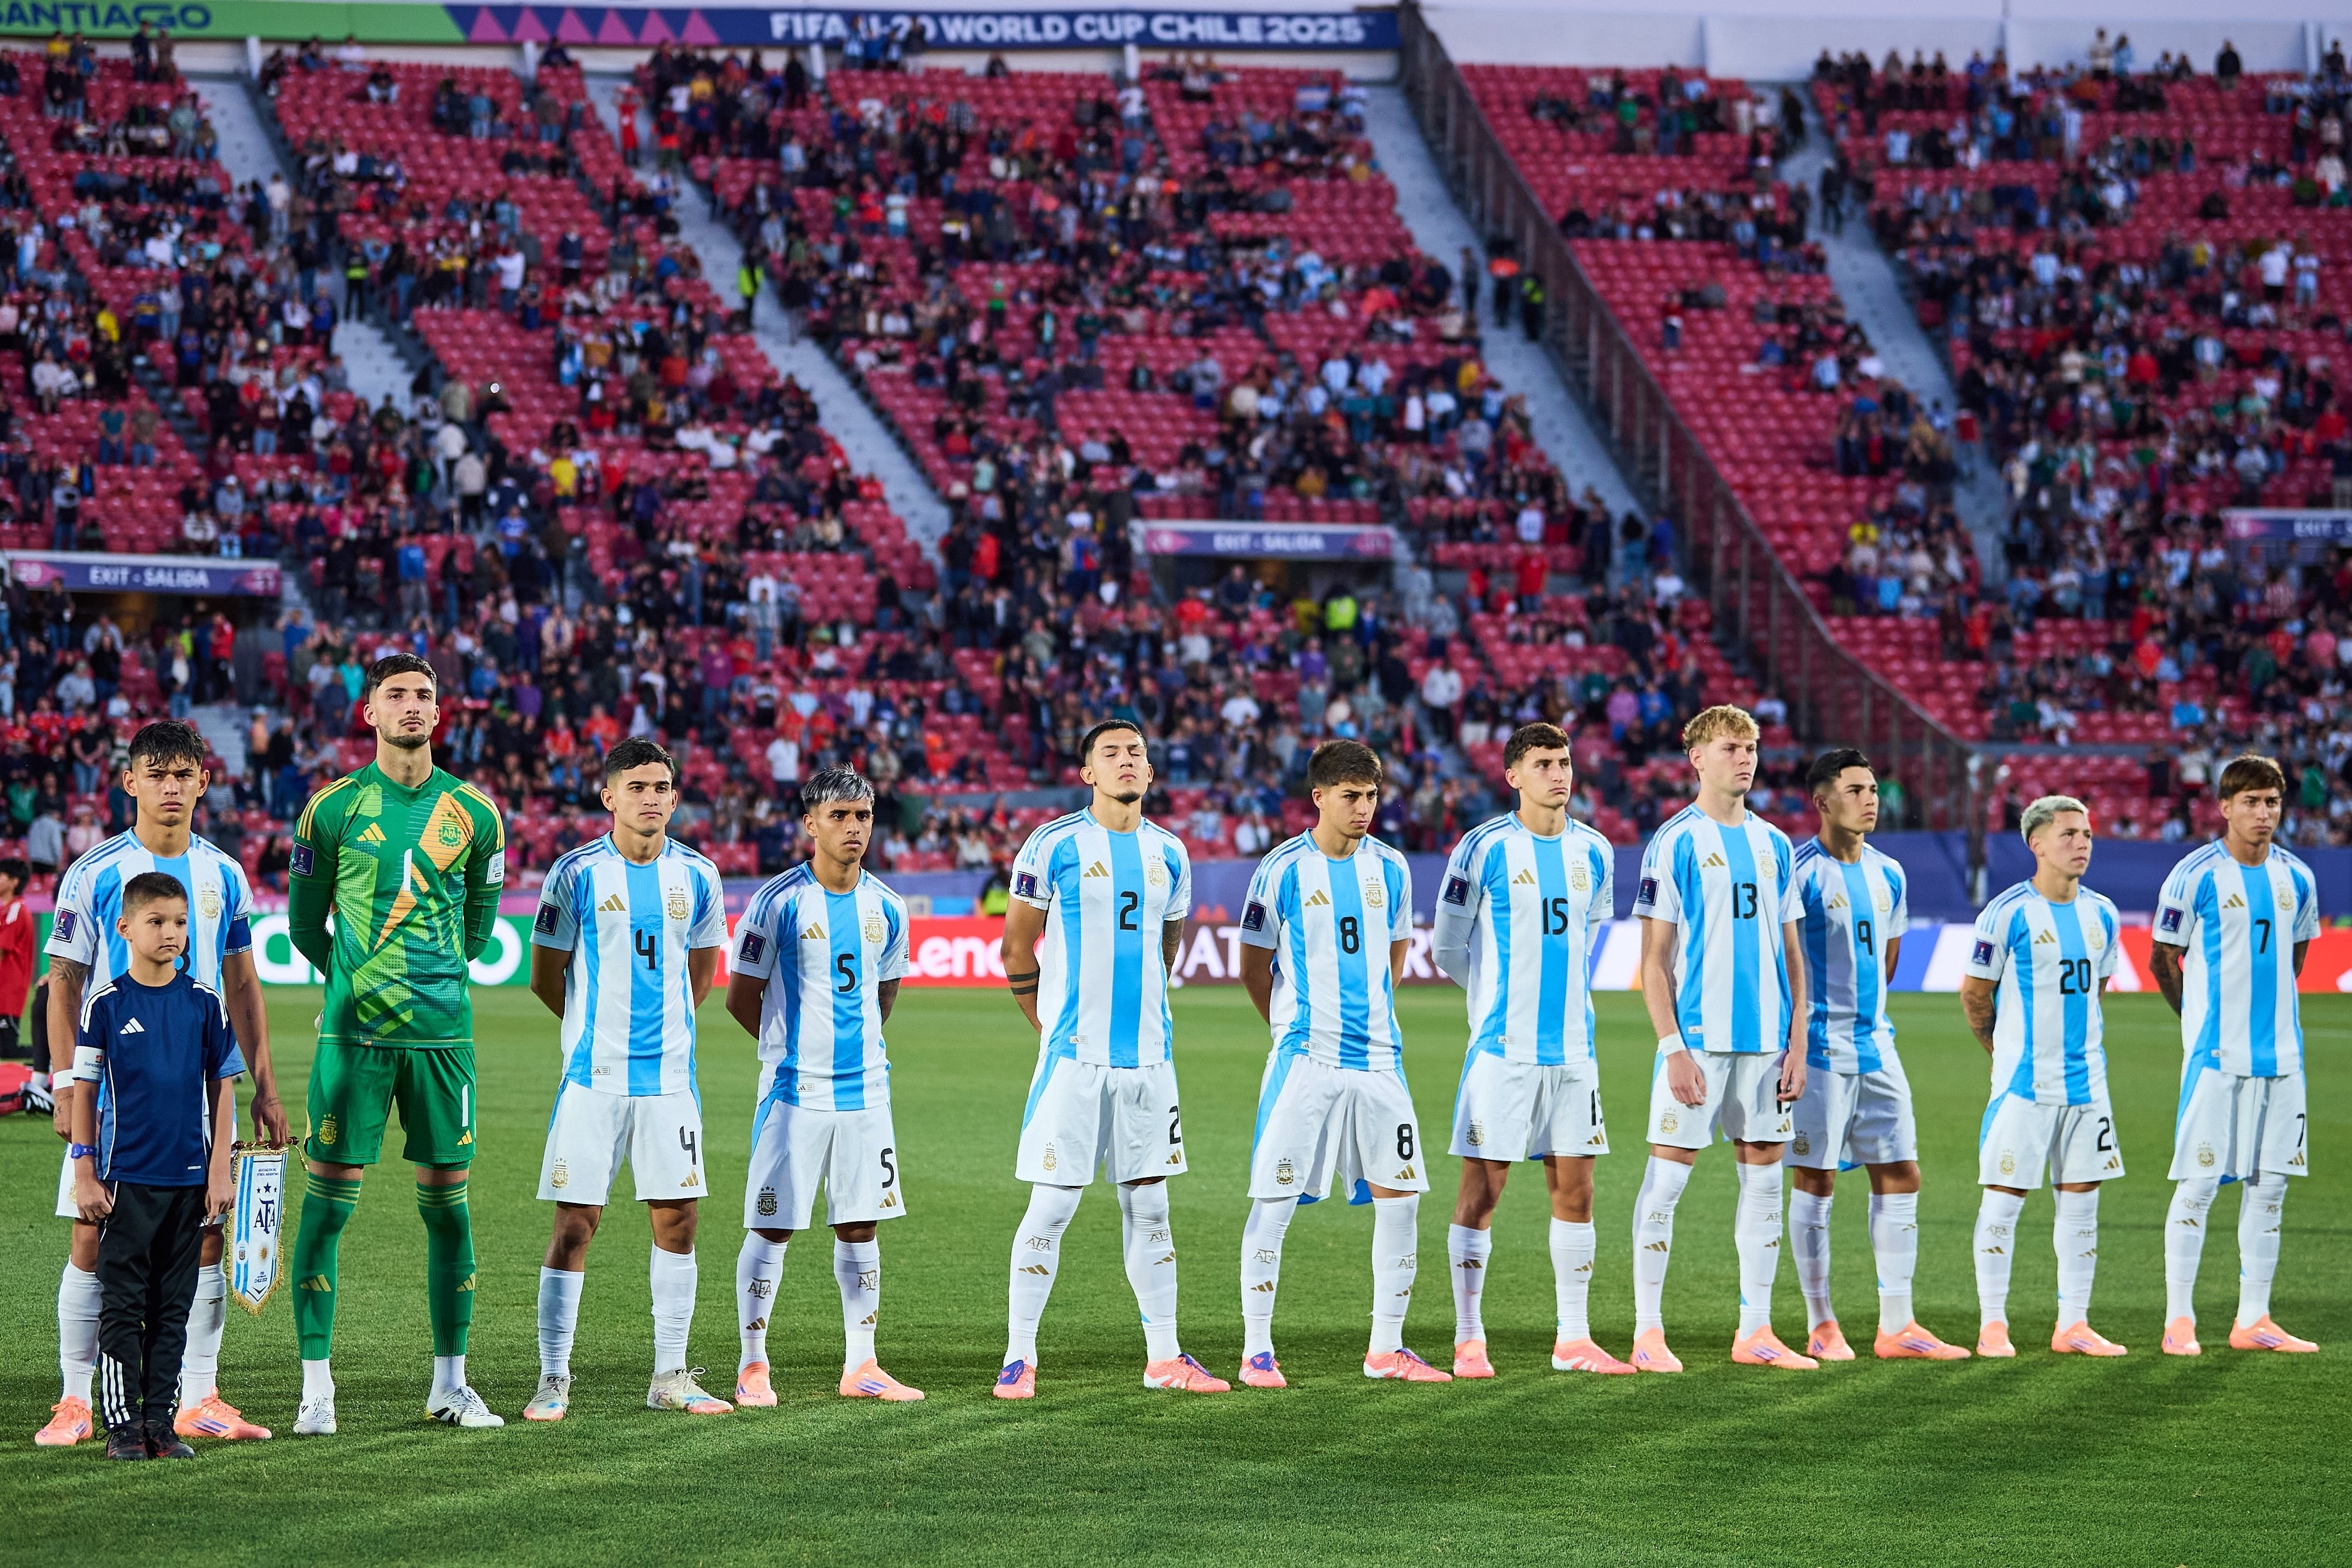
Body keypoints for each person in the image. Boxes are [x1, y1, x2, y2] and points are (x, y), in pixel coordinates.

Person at [34, 722, 279, 1452]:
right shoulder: (95, 871)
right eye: (156, 773)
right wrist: (62, 1082)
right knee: (91, 1234)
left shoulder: (225, 874)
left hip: (204, 1090)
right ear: (130, 782)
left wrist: (263, 1086)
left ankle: (196, 1396)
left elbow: (242, 982)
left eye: (184, 774)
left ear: (205, 781)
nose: (171, 787)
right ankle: (76, 1400)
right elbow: (64, 982)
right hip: (113, 1089)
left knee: (206, 1235)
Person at [286, 654, 507, 1435]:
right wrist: (355, 983)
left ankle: (451, 1382)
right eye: (396, 696)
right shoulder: (330, 809)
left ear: (441, 713)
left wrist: (425, 977)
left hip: (444, 1036)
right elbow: (305, 924)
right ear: (368, 712)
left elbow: (478, 932)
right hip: (356, 1035)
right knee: (329, 1198)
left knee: (450, 1206)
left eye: (424, 695)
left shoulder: (477, 814)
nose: (413, 706)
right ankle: (318, 1385)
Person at [994, 720, 1224, 1399]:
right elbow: (1015, 950)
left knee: (1151, 1207)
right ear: (1088, 772)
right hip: (1075, 1061)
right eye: (1111, 754)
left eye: (1137, 754)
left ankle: (1164, 1356)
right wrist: (1049, 1030)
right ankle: (1019, 1355)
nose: (1127, 762)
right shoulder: (1054, 844)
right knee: (1053, 1205)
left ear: (1151, 772)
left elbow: (1165, 948)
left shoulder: (1170, 854)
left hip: (1150, 1062)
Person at [522, 738, 730, 1422]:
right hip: (593, 1078)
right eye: (637, 786)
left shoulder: (699, 876)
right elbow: (546, 976)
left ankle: (670, 1374)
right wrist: (594, 1029)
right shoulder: (576, 873)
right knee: (576, 1226)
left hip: (670, 1080)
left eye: (662, 786)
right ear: (607, 795)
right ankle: (554, 1378)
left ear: (675, 796)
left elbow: (699, 973)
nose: (651, 798)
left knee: (679, 1222)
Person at [1233, 740, 1438, 1389]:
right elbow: (1251, 964)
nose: (1364, 808)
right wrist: (1291, 1026)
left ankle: (1386, 1348)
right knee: (1276, 1200)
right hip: (1308, 1058)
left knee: (1401, 1201)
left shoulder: (1393, 869)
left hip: (1380, 1061)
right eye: (1351, 796)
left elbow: (1397, 949)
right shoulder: (1282, 869)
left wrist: (1373, 1014)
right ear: (1318, 798)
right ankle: (1257, 1349)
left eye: (1372, 796)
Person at [1434, 723, 1632, 1379]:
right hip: (1504, 1051)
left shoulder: (1596, 852)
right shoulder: (1484, 848)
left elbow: (1589, 934)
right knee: (1482, 1193)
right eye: (1543, 763)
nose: (1559, 774)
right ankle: (1468, 1337)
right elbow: (1446, 947)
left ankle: (1572, 1339)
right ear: (1512, 775)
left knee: (1576, 1192)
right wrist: (1494, 1001)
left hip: (1575, 1052)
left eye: (1565, 762)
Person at [726, 767, 923, 1407]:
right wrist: (793, 1051)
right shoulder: (778, 901)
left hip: (867, 1092)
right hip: (794, 1093)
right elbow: (740, 997)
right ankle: (753, 1364)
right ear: (810, 823)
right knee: (773, 1226)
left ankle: (861, 1364)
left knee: (860, 1225)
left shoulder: (888, 907)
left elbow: (884, 993)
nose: (853, 828)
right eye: (839, 816)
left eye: (862, 816)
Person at [1629, 704, 1811, 1372]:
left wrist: (1798, 1040)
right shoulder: (1675, 841)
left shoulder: (1774, 844)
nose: (1746, 758)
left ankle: (1755, 1331)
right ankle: (1648, 1334)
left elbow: (1793, 955)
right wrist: (1671, 1046)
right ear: (1697, 758)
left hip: (1767, 1044)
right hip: (1700, 1043)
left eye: (1752, 747)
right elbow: (1652, 959)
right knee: (1666, 1184)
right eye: (1732, 747)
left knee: (1765, 1187)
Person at [1783, 750, 1968, 1362]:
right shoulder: (1799, 871)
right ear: (1822, 801)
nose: (1872, 799)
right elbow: (1783, 966)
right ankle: (1821, 1322)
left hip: (1876, 1045)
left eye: (1873, 789)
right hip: (1818, 1050)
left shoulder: (1889, 873)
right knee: (1817, 1180)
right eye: (1856, 789)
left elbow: (1887, 961)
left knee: (1901, 1172)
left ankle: (1897, 1325)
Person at [2147, 755, 2319, 1356]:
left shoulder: (2297, 878)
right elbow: (2161, 958)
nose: (2263, 813)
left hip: (2284, 1059)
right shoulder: (2194, 875)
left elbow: (2295, 959)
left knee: (2270, 1185)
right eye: (2250, 802)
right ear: (2223, 807)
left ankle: (2253, 1319)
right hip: (2216, 1059)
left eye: (2271, 802)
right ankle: (2179, 1320)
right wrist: (2197, 1025)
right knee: (2198, 1184)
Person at [68, 871, 242, 1461]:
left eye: (181, 922)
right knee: (123, 1304)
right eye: (158, 922)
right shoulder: (106, 1004)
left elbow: (223, 1089)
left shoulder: (205, 1002)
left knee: (174, 1307)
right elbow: (86, 1095)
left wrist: (221, 1168)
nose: (172, 933)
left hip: (190, 1182)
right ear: (126, 928)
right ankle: (122, 1427)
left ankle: (161, 1426)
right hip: (126, 1181)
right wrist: (85, 1169)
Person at [1959, 795, 2127, 1358]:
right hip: (2025, 1086)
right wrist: (2002, 1054)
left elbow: (2096, 993)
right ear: (2037, 844)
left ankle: (2073, 1324)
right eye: (2069, 834)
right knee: (2004, 1203)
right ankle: (1992, 1323)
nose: (2082, 843)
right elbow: (1975, 993)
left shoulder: (2103, 914)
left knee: (2082, 1204)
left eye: (2086, 834)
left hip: (2088, 1086)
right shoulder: (2008, 913)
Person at [0, 856, 29, 1058]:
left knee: (8, 1050)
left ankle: (49, 1055)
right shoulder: (6, 910)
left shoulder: (16, 910)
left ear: (14, 881)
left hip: (8, 991)